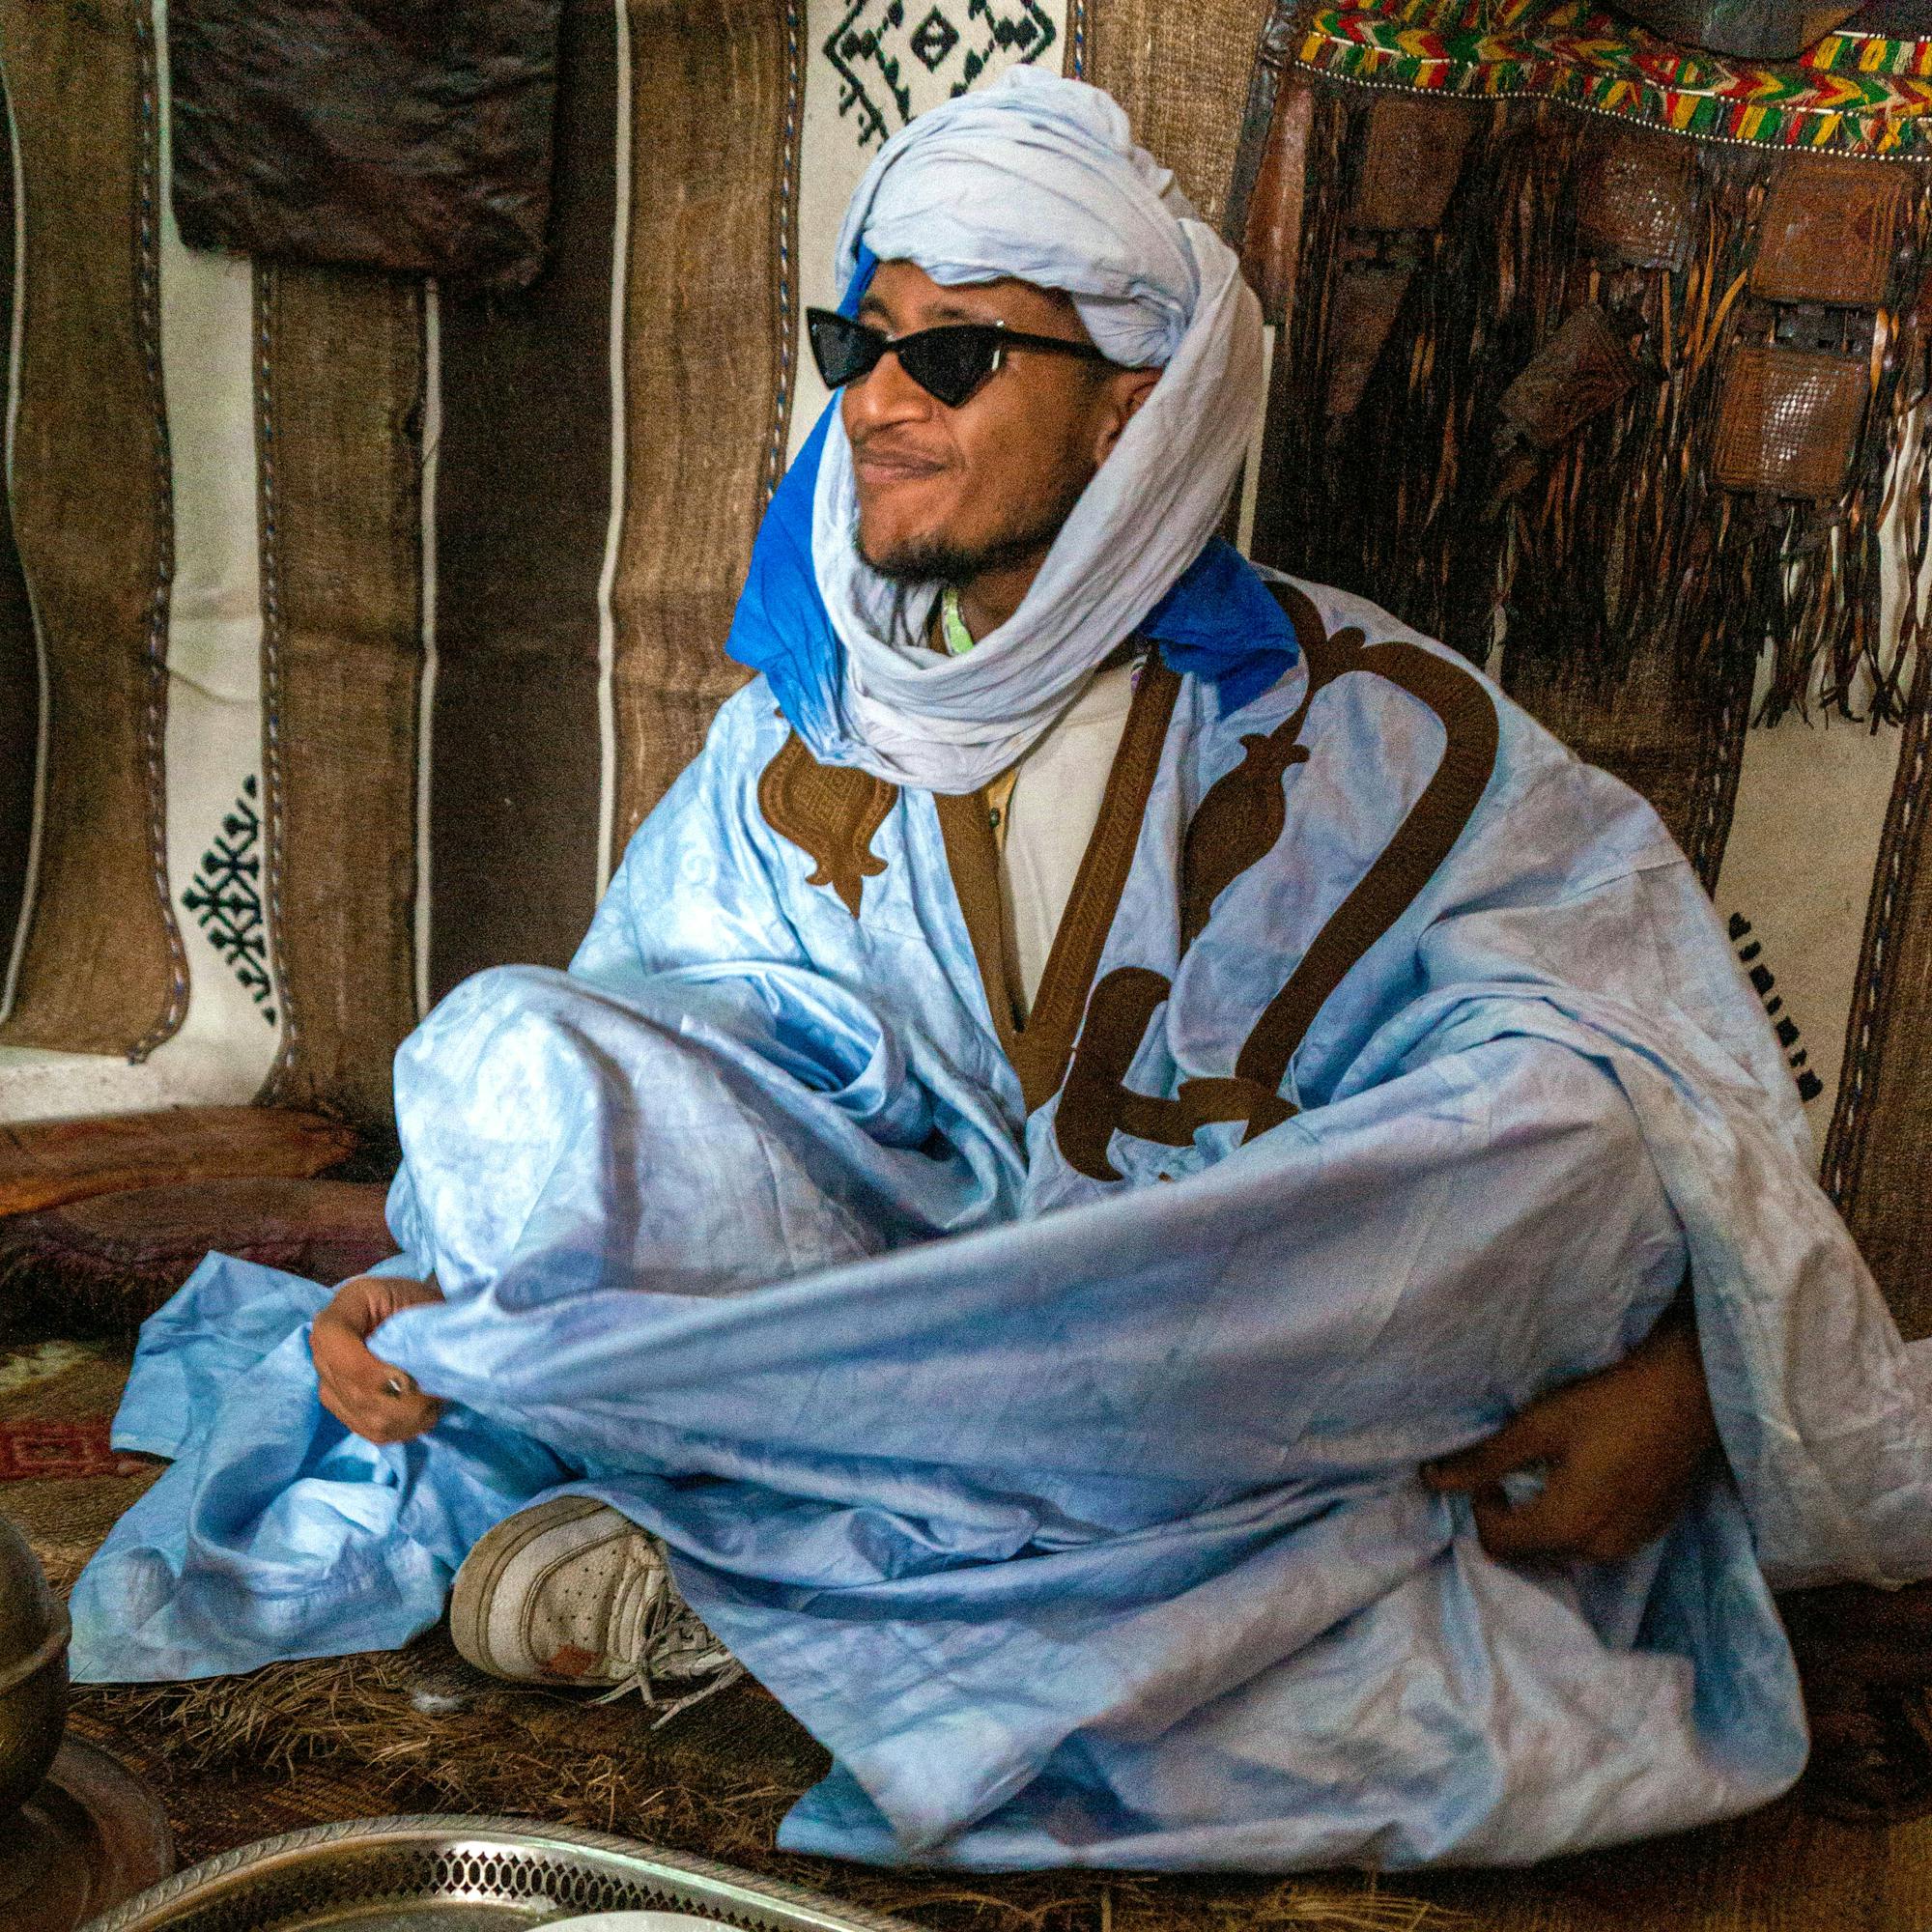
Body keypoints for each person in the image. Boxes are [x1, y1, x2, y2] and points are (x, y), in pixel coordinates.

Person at [70, 71, 1932, 1872]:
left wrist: (1691, 1387)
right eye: (856, 345)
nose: (876, 400)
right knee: (496, 1060)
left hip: (1215, 1331)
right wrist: (435, 1285)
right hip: (890, 1311)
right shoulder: (791, 740)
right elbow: (647, 1062)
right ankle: (928, 1552)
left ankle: (754, 1547)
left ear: (1134, 403)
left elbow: (1654, 1071)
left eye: (950, 351)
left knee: (1562, 1134)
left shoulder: (1380, 721)